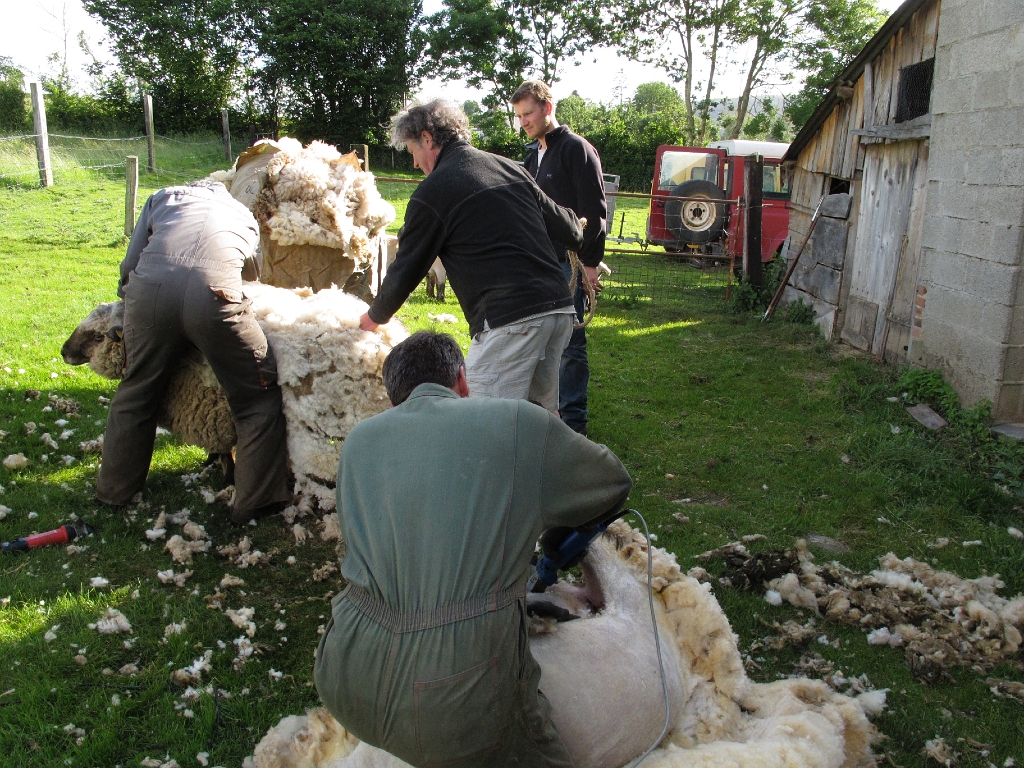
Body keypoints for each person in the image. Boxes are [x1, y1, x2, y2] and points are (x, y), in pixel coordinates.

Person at [314, 331, 632, 768]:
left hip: (343, 674)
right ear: (463, 381)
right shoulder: (518, 422)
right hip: (451, 701)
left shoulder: (358, 442)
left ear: (394, 402)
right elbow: (613, 483)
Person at [358, 99, 584, 413]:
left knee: (481, 422)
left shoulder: (433, 192)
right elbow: (572, 231)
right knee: (540, 419)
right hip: (558, 309)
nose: (413, 163)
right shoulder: (509, 167)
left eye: (412, 151)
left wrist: (373, 317)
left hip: (512, 320)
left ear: (427, 138)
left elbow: (407, 266)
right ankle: (549, 461)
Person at [97, 181, 290, 524]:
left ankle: (114, 492)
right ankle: (254, 503)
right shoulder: (243, 214)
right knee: (257, 396)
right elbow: (252, 280)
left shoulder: (164, 197)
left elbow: (129, 264)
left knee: (137, 390)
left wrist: (132, 303)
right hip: (214, 295)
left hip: (150, 291)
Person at [513, 80, 608, 436]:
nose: (524, 121)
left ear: (548, 108)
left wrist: (588, 263)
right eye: (519, 115)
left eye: (529, 113)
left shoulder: (576, 150)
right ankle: (542, 414)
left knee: (570, 344)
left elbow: (595, 213)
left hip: (566, 264)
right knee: (535, 338)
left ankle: (573, 425)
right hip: (536, 262)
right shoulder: (531, 155)